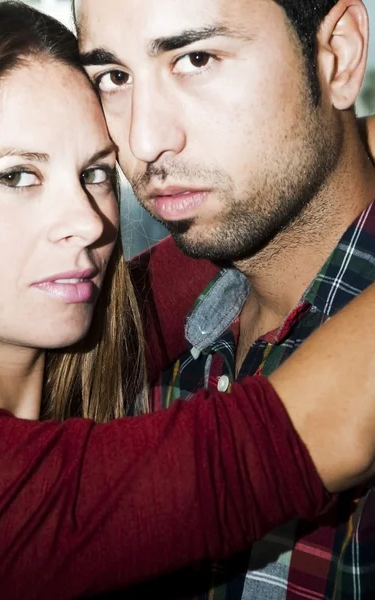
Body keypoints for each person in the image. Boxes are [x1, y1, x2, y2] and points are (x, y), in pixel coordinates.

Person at [75, 0, 375, 598]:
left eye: (196, 58)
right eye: (113, 77)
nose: (144, 139)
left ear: (337, 57)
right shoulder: (128, 353)